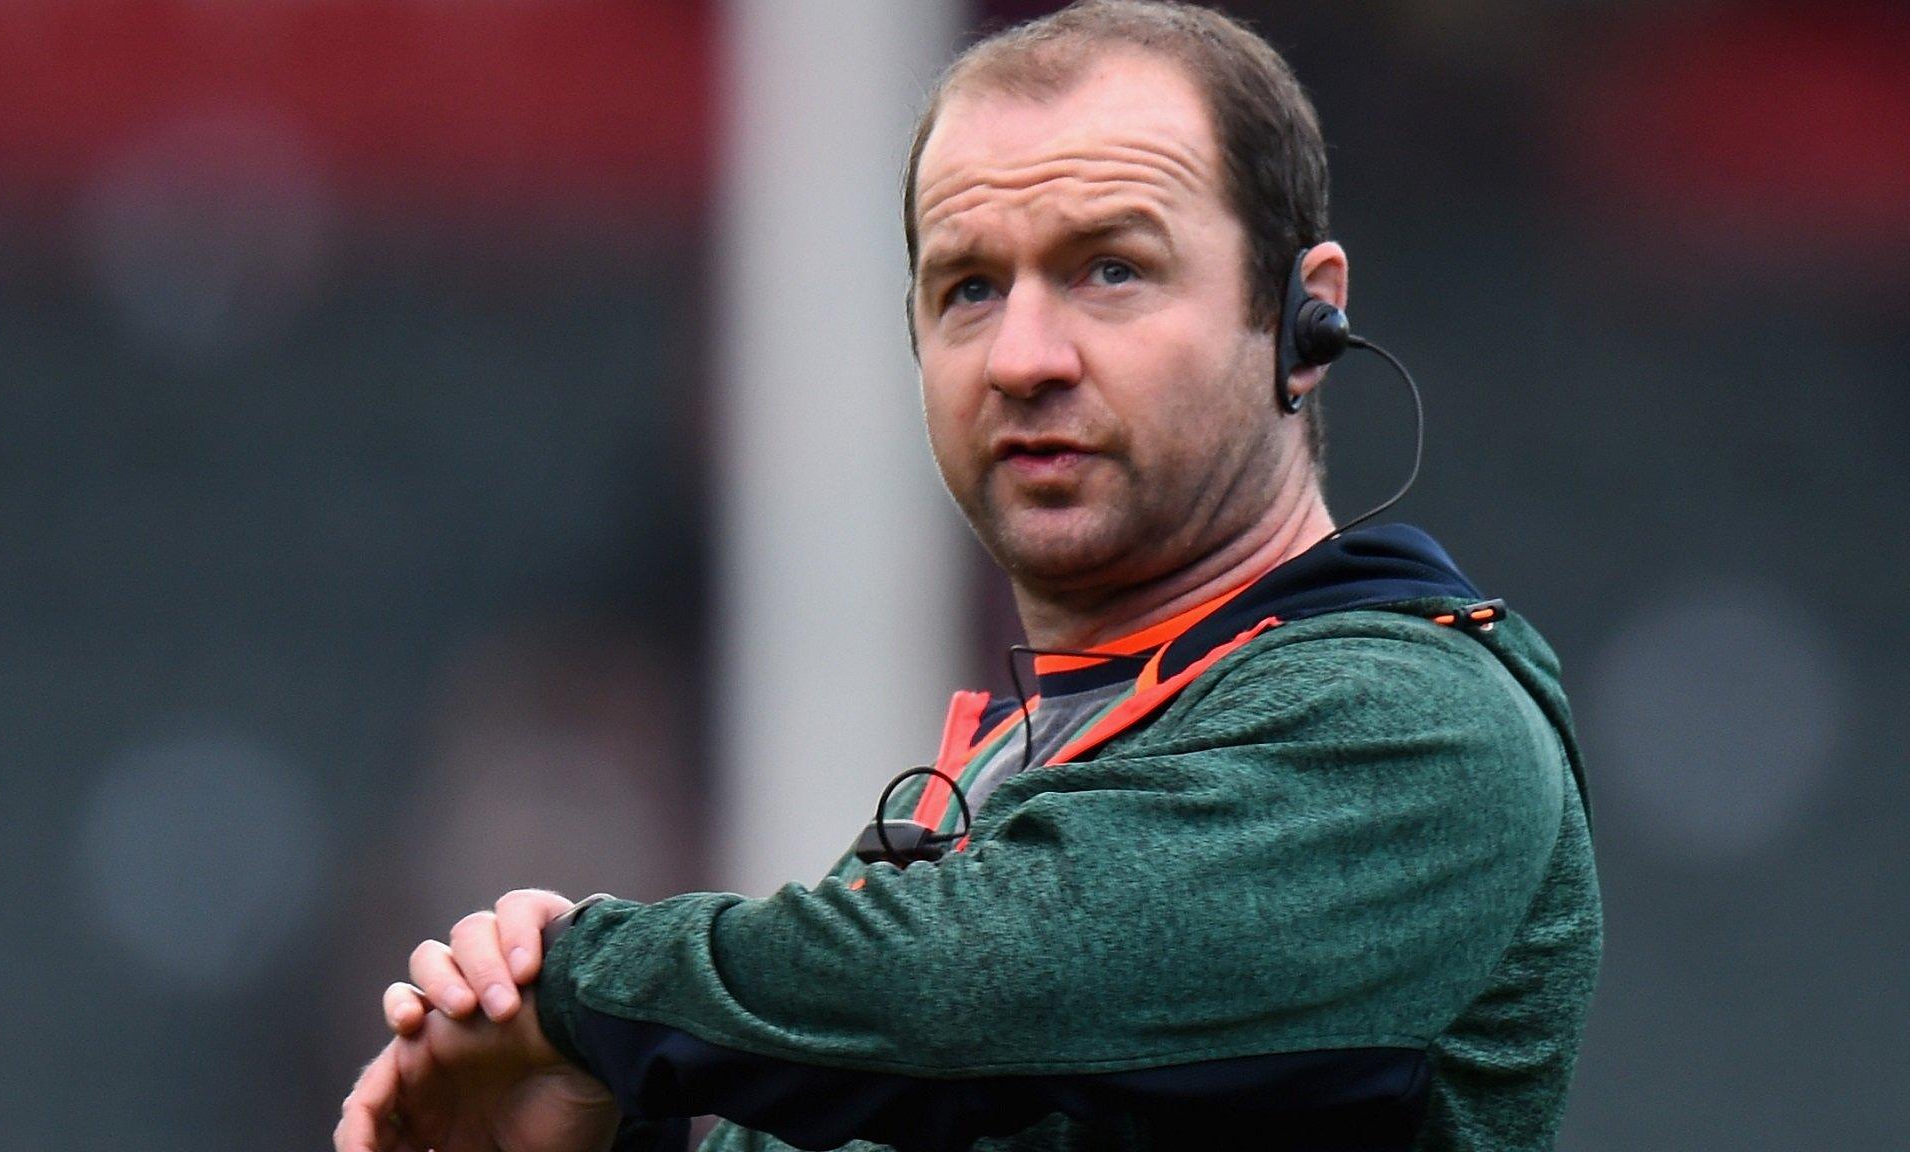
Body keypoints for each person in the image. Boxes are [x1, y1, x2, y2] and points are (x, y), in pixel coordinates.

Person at [336, 3, 1601, 1150]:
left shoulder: (1420, 726)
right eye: (968, 288)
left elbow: (996, 988)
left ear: (1299, 316)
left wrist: (576, 989)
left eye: (1111, 267)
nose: (1022, 356)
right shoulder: (977, 804)